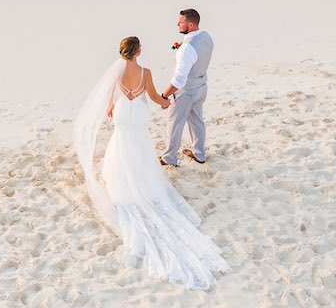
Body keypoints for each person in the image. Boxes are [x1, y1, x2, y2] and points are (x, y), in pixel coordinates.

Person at [73, 36, 230, 290]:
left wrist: (112, 106)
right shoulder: (145, 72)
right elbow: (155, 96)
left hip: (124, 111)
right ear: (139, 51)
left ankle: (122, 178)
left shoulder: (117, 71)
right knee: (140, 144)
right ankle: (142, 179)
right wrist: (166, 103)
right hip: (139, 113)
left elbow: (109, 94)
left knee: (121, 141)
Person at [160, 8, 213, 167]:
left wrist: (164, 96)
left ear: (190, 24)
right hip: (202, 86)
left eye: (181, 22)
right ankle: (199, 154)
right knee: (197, 120)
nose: (177, 24)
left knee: (174, 123)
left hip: (187, 91)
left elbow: (179, 80)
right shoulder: (207, 37)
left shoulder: (186, 48)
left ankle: (168, 157)